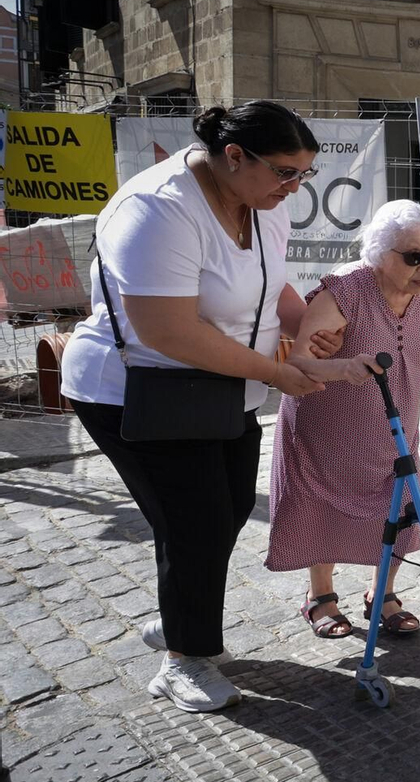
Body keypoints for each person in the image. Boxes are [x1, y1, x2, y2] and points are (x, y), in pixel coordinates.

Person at [59, 101, 355, 713]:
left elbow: (275, 288)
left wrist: (306, 333)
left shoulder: (264, 204)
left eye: (304, 174)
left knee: (229, 509)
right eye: (284, 172)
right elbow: (170, 332)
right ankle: (183, 659)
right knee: (193, 522)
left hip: (224, 385)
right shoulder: (158, 209)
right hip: (140, 389)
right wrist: (280, 371)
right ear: (234, 156)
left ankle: (177, 621)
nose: (294, 187)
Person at [266, 200, 420, 639]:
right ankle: (320, 597)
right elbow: (300, 363)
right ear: (380, 252)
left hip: (392, 423)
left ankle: (381, 594)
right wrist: (344, 367)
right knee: (320, 506)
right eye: (413, 256)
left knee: (401, 507)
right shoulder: (344, 290)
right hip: (326, 424)